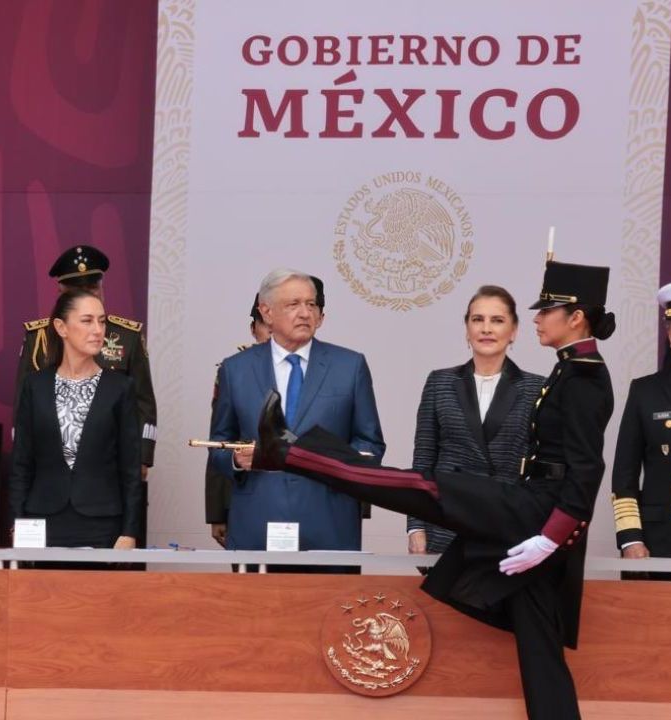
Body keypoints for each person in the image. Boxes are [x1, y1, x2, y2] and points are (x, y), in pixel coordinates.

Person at [251, 258, 615, 720]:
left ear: (575, 318)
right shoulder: (570, 370)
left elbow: (586, 470)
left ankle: (287, 451)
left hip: (533, 511)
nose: (539, 318)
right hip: (532, 509)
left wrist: (551, 537)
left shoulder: (583, 378)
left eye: (545, 311)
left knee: (416, 484)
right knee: (540, 645)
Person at [209, 269, 384, 558]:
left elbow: (371, 445)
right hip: (257, 525)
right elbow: (218, 444)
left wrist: (332, 463)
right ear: (266, 312)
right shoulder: (235, 369)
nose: (305, 313)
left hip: (330, 526)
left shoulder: (350, 367)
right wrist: (236, 460)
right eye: (293, 305)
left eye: (311, 304)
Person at [407, 286, 545, 555]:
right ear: (467, 328)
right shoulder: (440, 382)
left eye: (497, 320)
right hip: (446, 523)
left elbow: (540, 471)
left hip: (508, 527)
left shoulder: (536, 388)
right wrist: (415, 527)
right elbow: (423, 461)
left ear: (514, 331)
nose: (486, 329)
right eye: (477, 319)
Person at [10, 288, 141, 549]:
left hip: (102, 523)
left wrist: (129, 531)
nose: (98, 330)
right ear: (61, 327)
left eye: (102, 321)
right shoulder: (35, 385)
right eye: (87, 320)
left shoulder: (120, 387)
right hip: (42, 520)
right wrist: (17, 523)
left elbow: (131, 470)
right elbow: (21, 464)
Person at [612, 280, 671, 569]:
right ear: (668, 333)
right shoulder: (645, 391)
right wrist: (630, 539)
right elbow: (624, 475)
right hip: (660, 541)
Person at [206, 293, 272, 547]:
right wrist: (217, 513)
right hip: (246, 496)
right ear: (253, 329)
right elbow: (220, 442)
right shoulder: (234, 371)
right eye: (265, 325)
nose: (272, 333)